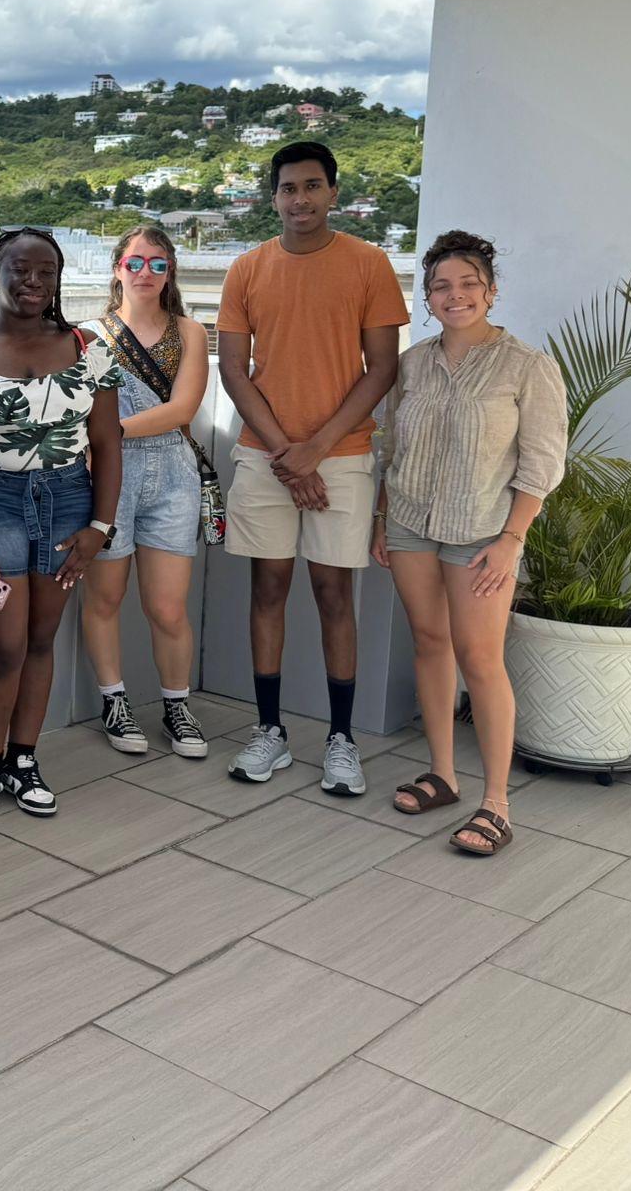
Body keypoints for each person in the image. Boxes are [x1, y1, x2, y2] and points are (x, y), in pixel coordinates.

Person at [217, 141, 408, 795]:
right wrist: (286, 455)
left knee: (334, 595)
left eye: (311, 186)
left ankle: (341, 740)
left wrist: (316, 450)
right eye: (287, 188)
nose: (299, 199)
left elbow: (382, 367)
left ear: (332, 192)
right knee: (267, 588)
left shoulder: (369, 264)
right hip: (264, 455)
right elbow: (233, 372)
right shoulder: (246, 269)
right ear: (273, 197)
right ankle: (269, 732)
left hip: (344, 458)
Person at [374, 230, 566, 857]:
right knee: (429, 644)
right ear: (427, 297)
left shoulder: (526, 366)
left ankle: (497, 803)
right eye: (440, 287)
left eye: (467, 284)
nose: (454, 296)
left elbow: (542, 463)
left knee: (480, 659)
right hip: (408, 525)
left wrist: (513, 539)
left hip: (483, 532)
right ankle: (443, 774)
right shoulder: (413, 362)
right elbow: (391, 444)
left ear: (490, 290)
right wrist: (382, 517)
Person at [0, 227, 124, 821]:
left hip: (68, 503)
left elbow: (108, 444)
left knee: (41, 639)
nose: (33, 282)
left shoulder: (89, 348)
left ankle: (23, 760)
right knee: (4, 646)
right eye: (20, 270)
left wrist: (100, 527)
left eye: (46, 272)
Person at [81, 227, 212, 758]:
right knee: (105, 597)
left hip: (172, 477)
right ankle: (115, 701)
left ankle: (176, 705)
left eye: (157, 265)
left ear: (170, 272)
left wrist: (111, 432)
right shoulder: (87, 336)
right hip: (108, 477)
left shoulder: (191, 332)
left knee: (168, 607)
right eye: (135, 263)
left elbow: (184, 410)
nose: (145, 274)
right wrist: (107, 439)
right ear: (117, 268)